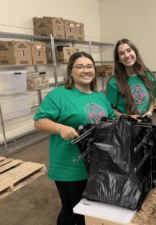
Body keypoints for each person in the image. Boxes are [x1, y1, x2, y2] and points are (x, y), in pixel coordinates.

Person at [34, 52, 115, 225]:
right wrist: (60, 127)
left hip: (97, 165)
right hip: (70, 167)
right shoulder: (59, 95)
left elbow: (110, 120)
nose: (85, 70)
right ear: (70, 71)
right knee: (72, 211)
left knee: (90, 212)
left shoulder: (99, 96)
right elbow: (39, 121)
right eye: (79, 66)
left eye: (89, 66)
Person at [106, 39, 156, 120]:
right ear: (119, 59)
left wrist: (149, 113)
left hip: (145, 123)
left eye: (129, 50)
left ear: (135, 53)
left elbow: (152, 99)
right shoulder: (113, 82)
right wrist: (127, 117)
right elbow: (110, 109)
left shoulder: (147, 75)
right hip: (125, 126)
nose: (126, 55)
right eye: (122, 53)